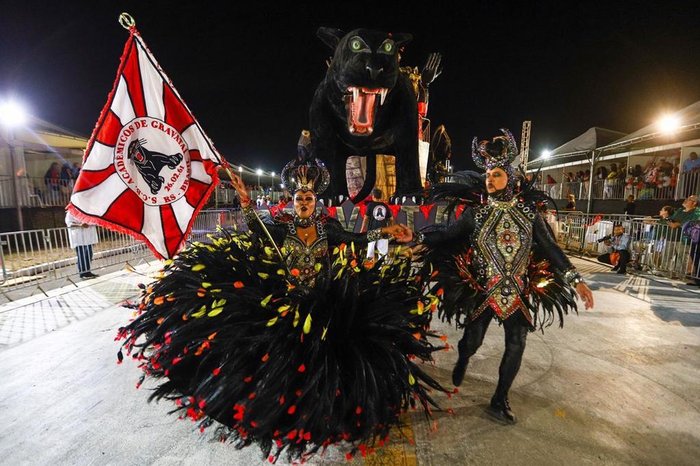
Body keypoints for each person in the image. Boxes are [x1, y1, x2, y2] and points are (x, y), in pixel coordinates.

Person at [116, 139, 448, 462]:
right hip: (287, 306)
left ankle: (320, 415)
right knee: (286, 366)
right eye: (299, 196)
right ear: (292, 200)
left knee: (319, 368)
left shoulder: (327, 229)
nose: (303, 200)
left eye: (308, 196)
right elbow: (257, 230)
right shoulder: (281, 230)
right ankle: (280, 412)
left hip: (319, 308)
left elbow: (357, 239)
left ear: (315, 200)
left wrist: (387, 232)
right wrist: (245, 201)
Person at [395, 128, 594, 425]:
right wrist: (418, 236)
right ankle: (464, 357)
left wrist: (575, 279)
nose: (490, 180)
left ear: (511, 178)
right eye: (488, 176)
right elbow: (446, 235)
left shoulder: (528, 213)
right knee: (472, 341)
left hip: (518, 290)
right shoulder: (477, 215)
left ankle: (500, 398)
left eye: (497, 175)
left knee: (517, 343)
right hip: (483, 289)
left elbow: (551, 249)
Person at [360, 188, 394, 261]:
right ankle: (382, 268)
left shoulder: (370, 205)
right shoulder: (385, 206)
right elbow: (391, 219)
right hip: (383, 230)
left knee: (370, 251)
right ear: (381, 196)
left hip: (372, 230)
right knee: (383, 252)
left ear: (373, 196)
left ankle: (369, 267)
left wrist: (362, 229)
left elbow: (365, 218)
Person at [65, 210, 99, 279]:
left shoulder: (85, 210)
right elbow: (69, 223)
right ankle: (82, 273)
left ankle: (87, 271)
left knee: (89, 255)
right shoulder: (71, 212)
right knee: (82, 256)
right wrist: (80, 225)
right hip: (79, 238)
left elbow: (93, 220)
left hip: (87, 238)